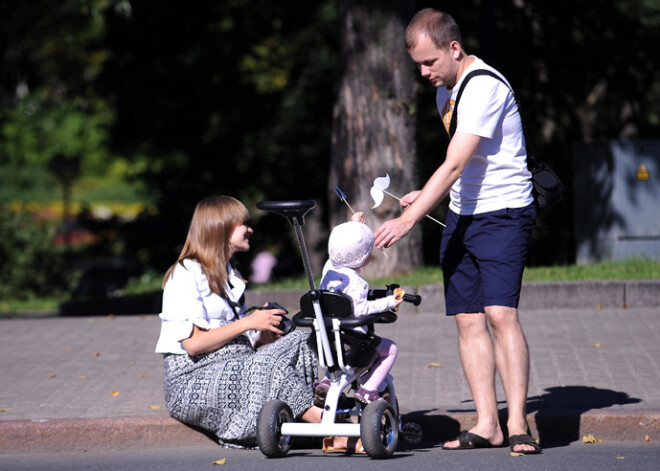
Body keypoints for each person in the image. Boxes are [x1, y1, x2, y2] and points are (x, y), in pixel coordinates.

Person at [374, 9, 541, 455]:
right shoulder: (443, 91)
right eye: (418, 66)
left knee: (500, 314)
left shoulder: (483, 86)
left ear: (454, 48)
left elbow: (454, 163)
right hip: (463, 214)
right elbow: (460, 167)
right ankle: (488, 423)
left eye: (430, 62)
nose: (425, 73)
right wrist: (422, 195)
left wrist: (409, 220)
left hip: (503, 213)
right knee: (468, 319)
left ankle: (519, 423)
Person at [155, 195, 322, 449]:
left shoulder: (230, 276)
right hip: (191, 381)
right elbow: (194, 344)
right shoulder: (185, 274)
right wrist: (248, 322)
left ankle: (307, 414)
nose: (250, 229)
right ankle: (327, 426)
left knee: (301, 339)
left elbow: (229, 339)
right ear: (220, 229)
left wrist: (259, 336)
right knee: (266, 366)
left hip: (234, 366)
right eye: (243, 223)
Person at [314, 212, 403, 406]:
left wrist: (353, 225)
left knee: (338, 347)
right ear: (362, 257)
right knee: (390, 349)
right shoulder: (356, 283)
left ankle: (328, 380)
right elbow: (361, 310)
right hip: (353, 345)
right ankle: (369, 390)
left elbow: (343, 250)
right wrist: (389, 302)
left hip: (328, 341)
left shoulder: (328, 270)